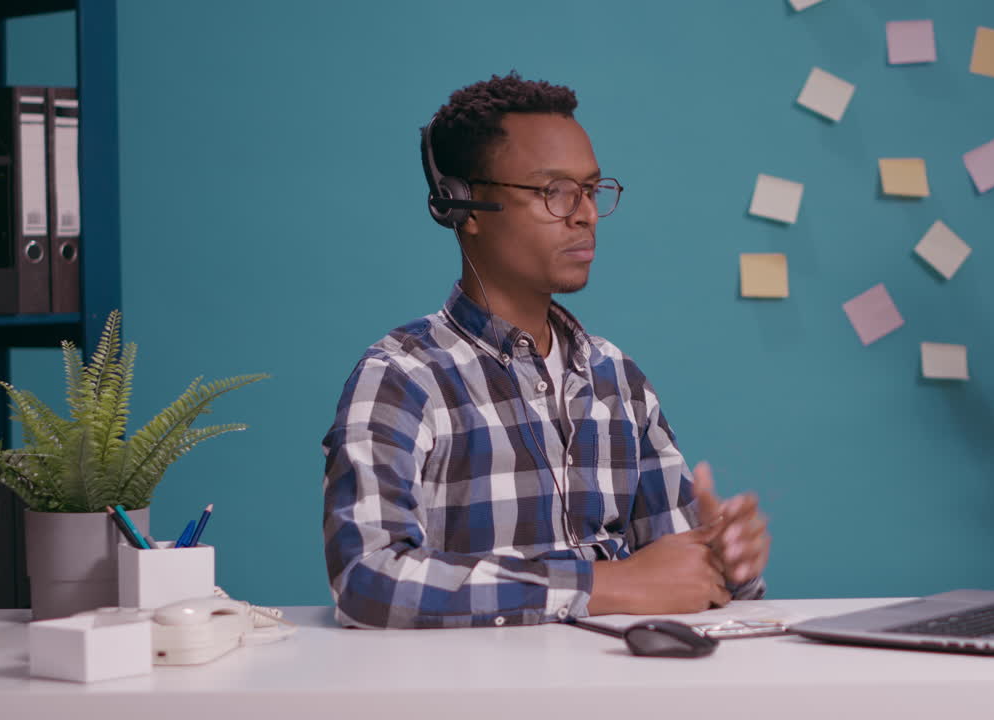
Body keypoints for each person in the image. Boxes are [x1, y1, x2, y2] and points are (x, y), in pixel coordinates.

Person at [321, 72, 771, 628]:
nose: (584, 214)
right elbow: (367, 580)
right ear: (462, 205)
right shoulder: (402, 379)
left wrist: (725, 563)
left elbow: (675, 579)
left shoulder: (616, 380)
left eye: (592, 189)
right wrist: (602, 583)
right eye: (554, 192)